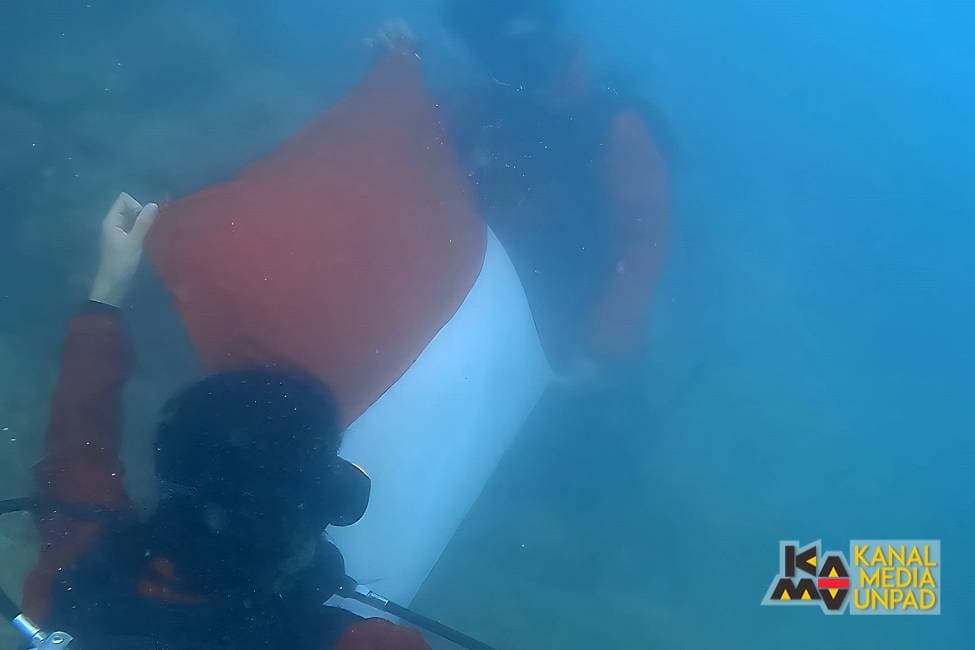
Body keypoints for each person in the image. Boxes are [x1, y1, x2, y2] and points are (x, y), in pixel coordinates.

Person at [20, 193, 431, 649]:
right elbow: (79, 450)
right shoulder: (357, 642)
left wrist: (108, 287)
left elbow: (78, 443)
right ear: (309, 503)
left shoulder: (78, 574)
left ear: (170, 463)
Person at [440, 0, 671, 385]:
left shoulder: (611, 127)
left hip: (574, 340)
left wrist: (599, 351)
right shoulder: (483, 107)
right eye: (500, 59)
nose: (524, 74)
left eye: (531, 54)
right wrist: (396, 63)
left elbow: (643, 235)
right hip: (487, 320)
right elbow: (416, 143)